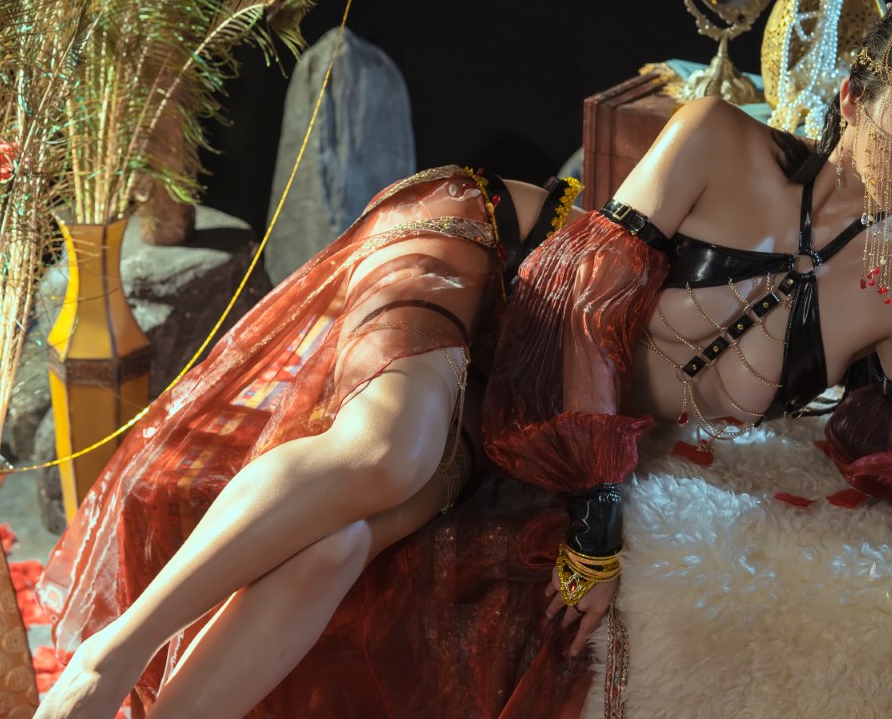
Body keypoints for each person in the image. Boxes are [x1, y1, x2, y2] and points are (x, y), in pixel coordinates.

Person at [481, 0, 892, 712]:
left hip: (552, 436)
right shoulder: (713, 136)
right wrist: (596, 516)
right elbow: (583, 301)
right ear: (853, 99)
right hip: (497, 292)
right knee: (380, 470)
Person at [33, 165, 584, 718]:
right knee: (389, 455)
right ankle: (112, 655)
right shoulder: (633, 256)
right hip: (486, 240)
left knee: (336, 548)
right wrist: (599, 529)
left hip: (509, 401)